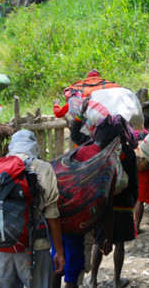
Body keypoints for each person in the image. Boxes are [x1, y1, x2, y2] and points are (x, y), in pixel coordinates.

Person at [0, 130, 65, 288]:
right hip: (35, 248)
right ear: (34, 148)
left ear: (11, 147)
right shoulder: (43, 169)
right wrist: (59, 252)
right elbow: (52, 215)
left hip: (1, 250)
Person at [54, 116, 121, 288]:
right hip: (80, 226)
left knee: (56, 263)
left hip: (58, 219)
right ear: (113, 143)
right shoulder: (107, 166)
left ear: (95, 134)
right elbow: (107, 207)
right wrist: (109, 237)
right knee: (74, 272)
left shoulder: (77, 152)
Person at [88, 115, 138, 288]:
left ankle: (93, 280)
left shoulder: (101, 151)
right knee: (119, 243)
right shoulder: (128, 152)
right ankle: (117, 280)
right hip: (124, 204)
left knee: (99, 241)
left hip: (104, 204)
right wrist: (133, 200)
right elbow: (133, 181)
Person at [133, 113, 149, 234]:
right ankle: (136, 227)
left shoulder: (130, 134)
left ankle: (127, 226)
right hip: (144, 171)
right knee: (140, 199)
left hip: (130, 169)